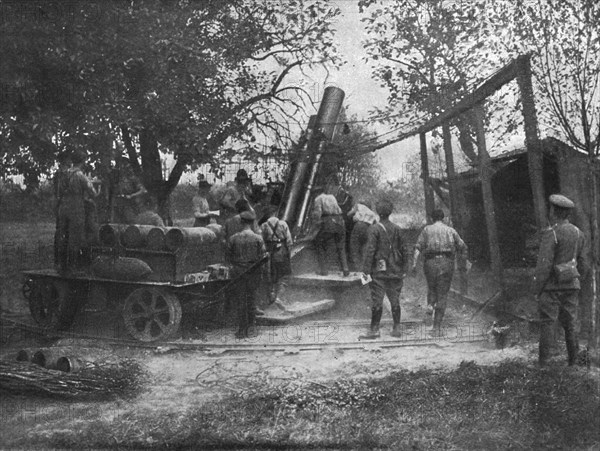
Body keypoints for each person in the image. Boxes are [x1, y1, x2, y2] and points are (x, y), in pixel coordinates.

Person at [532, 194, 588, 366]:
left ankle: (544, 364)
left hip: (551, 287)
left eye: (551, 209)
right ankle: (573, 362)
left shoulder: (552, 234)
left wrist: (538, 289)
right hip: (572, 285)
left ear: (554, 211)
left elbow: (544, 266)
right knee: (570, 323)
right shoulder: (579, 233)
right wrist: (576, 280)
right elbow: (583, 263)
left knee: (548, 323)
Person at [412, 209, 467, 336]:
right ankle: (436, 328)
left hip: (430, 263)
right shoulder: (451, 230)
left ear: (432, 218)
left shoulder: (426, 230)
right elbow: (463, 247)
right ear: (443, 218)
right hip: (446, 263)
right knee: (442, 294)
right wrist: (462, 264)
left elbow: (417, 248)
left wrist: (414, 264)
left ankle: (430, 305)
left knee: (432, 288)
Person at [359, 199, 407, 339]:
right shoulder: (398, 229)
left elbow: (370, 251)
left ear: (378, 212)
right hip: (395, 270)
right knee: (395, 300)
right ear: (390, 212)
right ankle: (397, 328)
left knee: (377, 300)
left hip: (379, 272)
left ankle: (374, 330)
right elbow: (405, 250)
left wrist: (366, 271)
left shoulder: (374, 229)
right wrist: (405, 268)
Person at [56, 150, 101, 273]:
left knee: (62, 236)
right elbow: (93, 193)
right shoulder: (80, 175)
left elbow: (59, 192)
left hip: (63, 207)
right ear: (83, 161)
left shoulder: (64, 174)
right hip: (76, 208)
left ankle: (60, 265)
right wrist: (98, 186)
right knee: (75, 237)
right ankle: (72, 266)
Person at [227, 210, 267, 339]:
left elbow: (228, 256)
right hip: (253, 272)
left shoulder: (233, 238)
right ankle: (251, 330)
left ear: (241, 222)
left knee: (240, 301)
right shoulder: (258, 238)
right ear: (252, 222)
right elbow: (263, 256)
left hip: (238, 273)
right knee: (251, 300)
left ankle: (241, 331)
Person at [311, 185, 350, 276]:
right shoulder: (331, 197)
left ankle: (324, 270)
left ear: (316, 193)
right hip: (340, 222)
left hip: (329, 223)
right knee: (341, 246)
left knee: (319, 243)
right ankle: (345, 269)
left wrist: (313, 230)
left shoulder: (318, 199)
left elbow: (317, 215)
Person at [261, 206, 293, 304]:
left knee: (271, 275)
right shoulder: (283, 224)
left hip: (270, 253)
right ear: (275, 213)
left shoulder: (264, 226)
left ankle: (271, 296)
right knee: (283, 275)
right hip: (281, 253)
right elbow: (289, 241)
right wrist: (289, 253)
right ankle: (279, 297)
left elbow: (261, 241)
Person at [347, 199, 379, 270]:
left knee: (354, 247)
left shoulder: (358, 206)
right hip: (368, 228)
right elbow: (375, 223)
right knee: (364, 248)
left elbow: (349, 214)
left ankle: (357, 267)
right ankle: (364, 268)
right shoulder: (371, 212)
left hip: (358, 226)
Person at [53, 152, 72, 268]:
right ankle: (62, 262)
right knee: (64, 233)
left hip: (61, 205)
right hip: (66, 205)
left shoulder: (58, 174)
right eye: (69, 159)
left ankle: (59, 261)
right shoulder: (64, 174)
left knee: (61, 233)